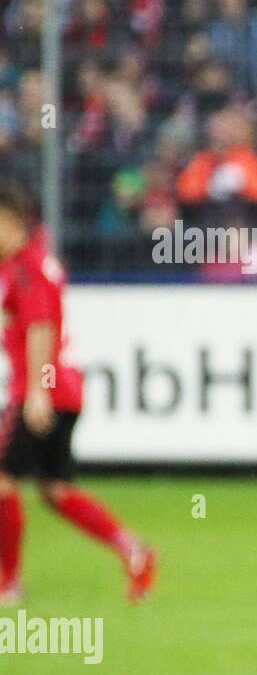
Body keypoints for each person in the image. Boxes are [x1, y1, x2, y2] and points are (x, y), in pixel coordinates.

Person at [0, 182, 157, 605]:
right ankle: (133, 549)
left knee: (3, 480)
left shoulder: (26, 267)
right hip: (63, 387)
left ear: (12, 222)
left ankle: (8, 584)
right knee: (55, 488)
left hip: (45, 388)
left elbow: (41, 327)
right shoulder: (30, 262)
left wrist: (36, 391)